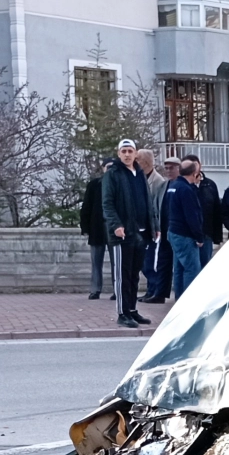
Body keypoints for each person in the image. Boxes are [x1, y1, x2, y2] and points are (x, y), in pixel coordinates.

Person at [100, 138, 151, 328]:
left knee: (134, 275)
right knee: (122, 275)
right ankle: (122, 313)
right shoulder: (113, 174)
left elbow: (147, 201)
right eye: (124, 151)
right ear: (119, 153)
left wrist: (153, 227)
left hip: (140, 232)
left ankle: (132, 309)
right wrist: (116, 225)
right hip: (122, 233)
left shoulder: (139, 174)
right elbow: (107, 203)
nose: (127, 154)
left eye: (130, 151)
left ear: (136, 153)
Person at [167, 159, 207, 298]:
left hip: (174, 231)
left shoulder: (173, 186)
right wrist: (199, 236)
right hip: (185, 235)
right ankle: (188, 302)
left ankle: (179, 298)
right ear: (194, 173)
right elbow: (192, 215)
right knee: (192, 269)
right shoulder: (186, 190)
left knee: (179, 268)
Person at [135, 149, 167, 302]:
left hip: (152, 227)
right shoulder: (140, 177)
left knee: (150, 261)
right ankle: (150, 290)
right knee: (143, 261)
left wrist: (156, 228)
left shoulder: (158, 181)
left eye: (138, 159)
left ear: (145, 162)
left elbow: (157, 206)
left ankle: (154, 289)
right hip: (141, 226)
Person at [181, 155, 223, 264]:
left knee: (205, 265)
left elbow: (216, 210)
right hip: (187, 235)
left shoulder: (209, 184)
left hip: (206, 234)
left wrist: (217, 236)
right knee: (190, 267)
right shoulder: (182, 186)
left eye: (195, 165)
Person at [150, 156, 181, 303]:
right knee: (163, 262)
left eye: (172, 168)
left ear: (179, 169)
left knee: (180, 264)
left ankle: (180, 294)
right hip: (164, 230)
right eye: (166, 168)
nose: (168, 171)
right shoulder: (163, 186)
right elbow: (155, 207)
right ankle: (160, 293)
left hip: (179, 231)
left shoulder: (182, 185)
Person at [78, 159, 108, 299]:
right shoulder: (94, 185)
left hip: (115, 228)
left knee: (117, 262)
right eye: (107, 167)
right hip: (97, 228)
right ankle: (95, 289)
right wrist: (85, 227)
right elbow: (86, 207)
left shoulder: (120, 184)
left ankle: (117, 290)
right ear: (103, 168)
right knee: (96, 262)